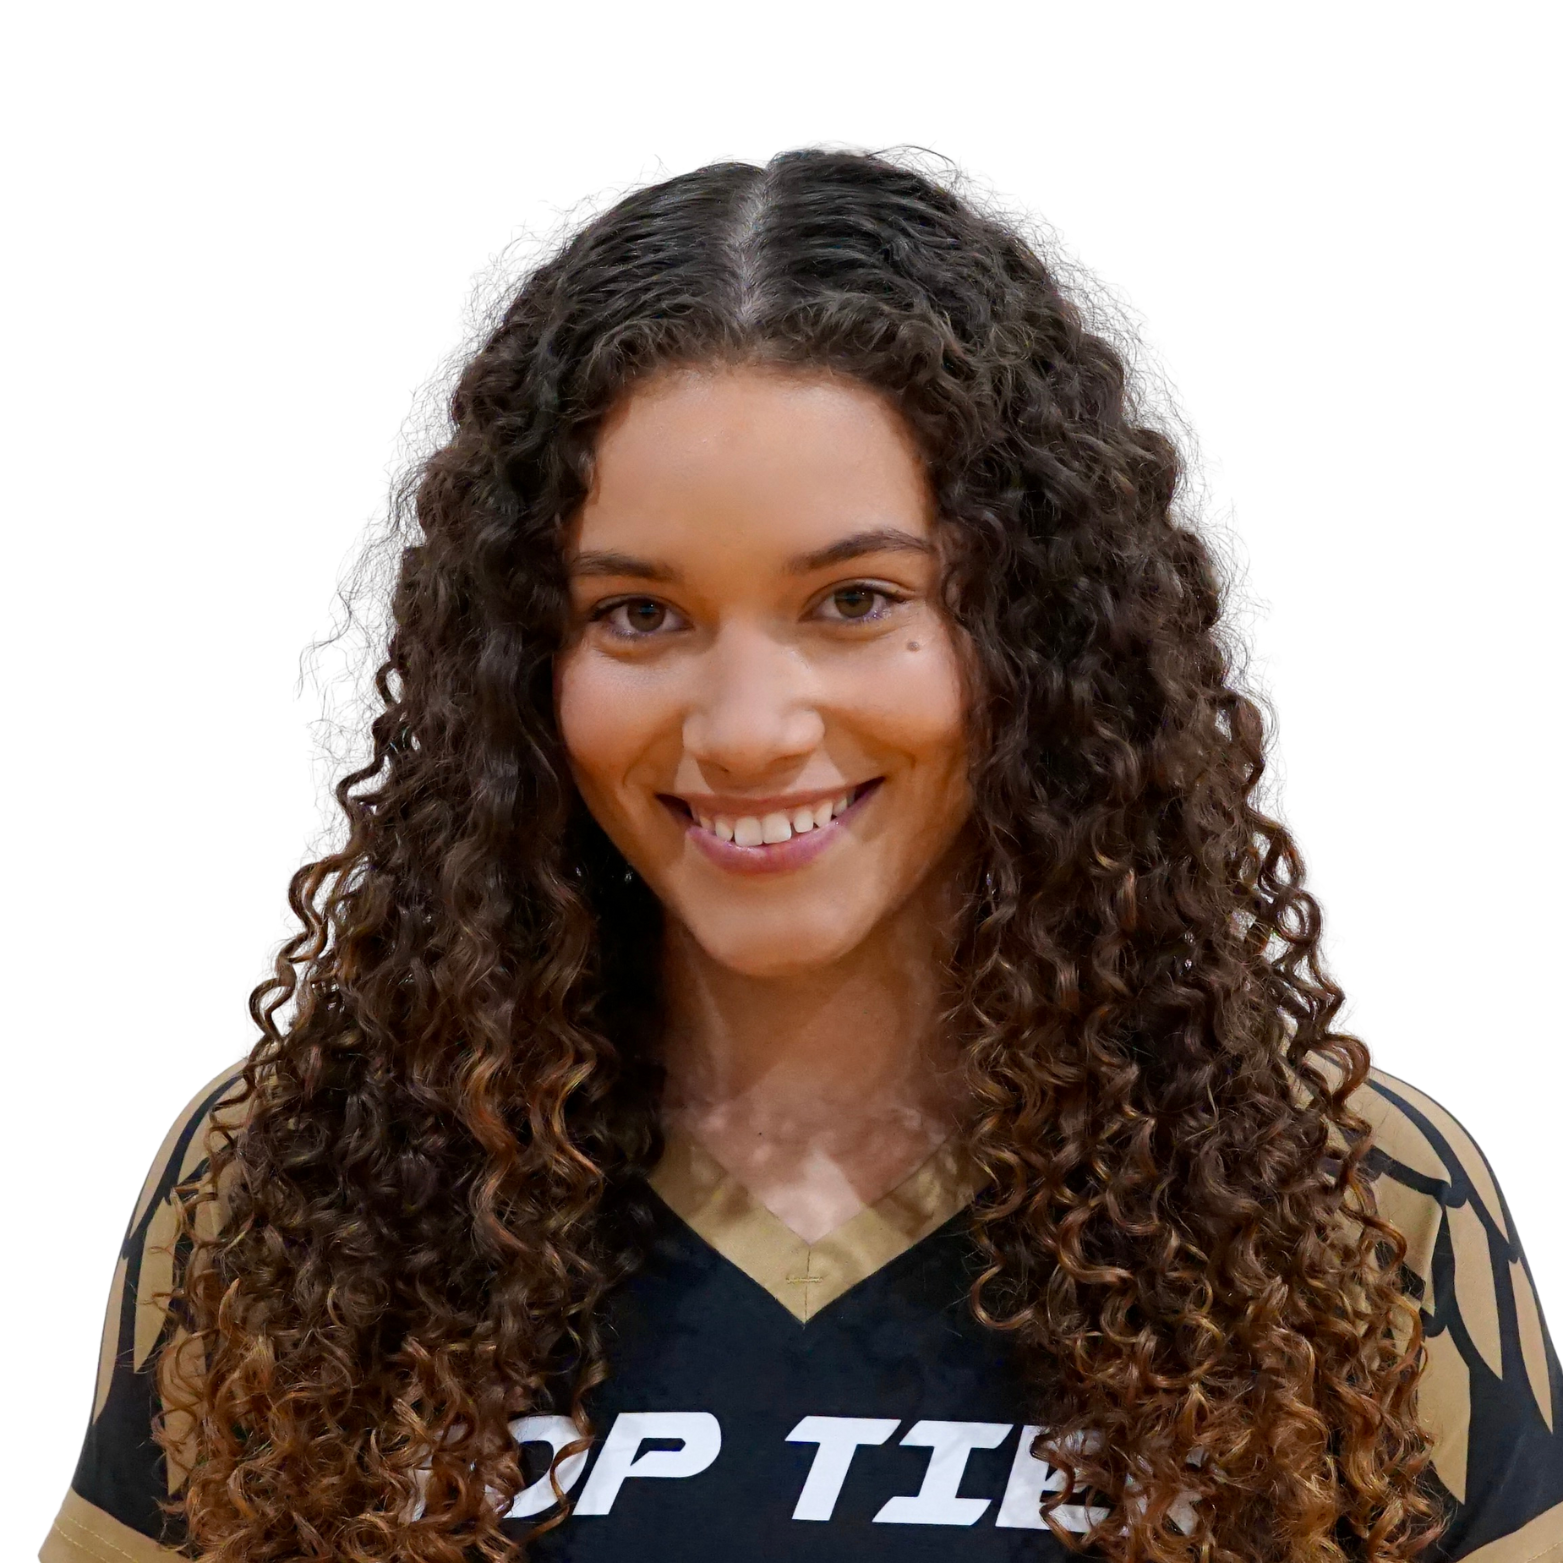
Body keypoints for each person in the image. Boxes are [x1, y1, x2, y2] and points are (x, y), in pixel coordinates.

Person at [40, 149, 1562, 1563]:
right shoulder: (294, 1187)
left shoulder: (1348, 1206)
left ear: (1032, 633)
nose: (752, 728)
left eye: (854, 601)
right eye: (639, 614)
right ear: (517, 667)